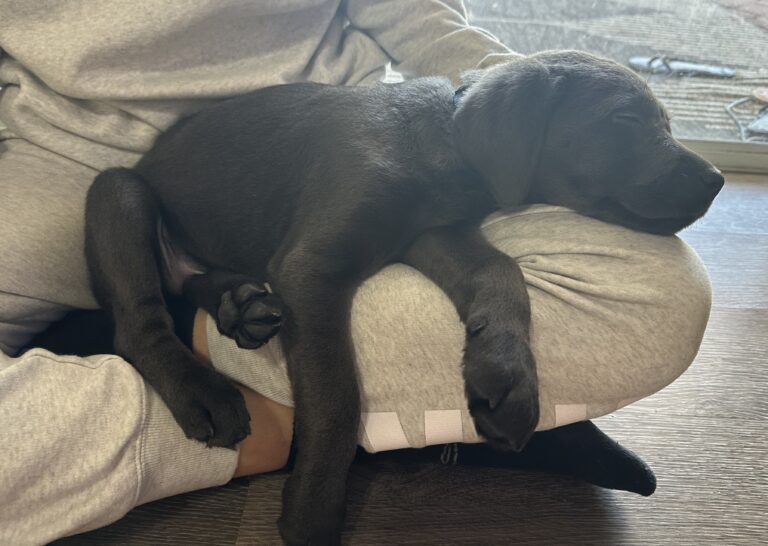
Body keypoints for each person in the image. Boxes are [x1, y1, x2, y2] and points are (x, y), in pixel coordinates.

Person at [0, 1, 712, 544]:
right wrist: (325, 455)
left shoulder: (450, 140)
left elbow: (435, 234)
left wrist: (501, 304)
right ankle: (167, 350)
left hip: (330, 168)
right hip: (93, 181)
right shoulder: (382, 153)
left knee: (662, 297)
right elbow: (311, 268)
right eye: (629, 129)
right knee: (121, 199)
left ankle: (241, 349)